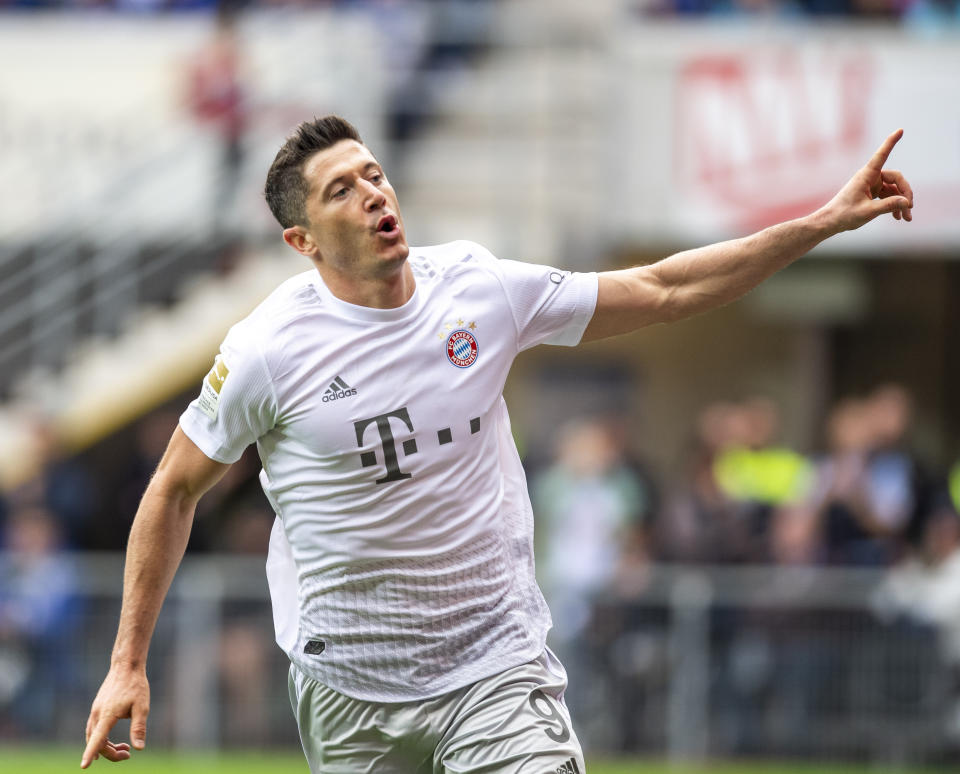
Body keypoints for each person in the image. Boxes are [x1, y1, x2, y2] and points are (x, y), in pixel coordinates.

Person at [81, 115, 913, 772]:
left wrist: (822, 223)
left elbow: (662, 289)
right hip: (349, 689)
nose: (373, 193)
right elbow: (173, 490)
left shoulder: (477, 288)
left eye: (375, 173)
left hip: (493, 664)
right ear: (302, 241)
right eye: (341, 190)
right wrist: (127, 662)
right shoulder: (267, 349)